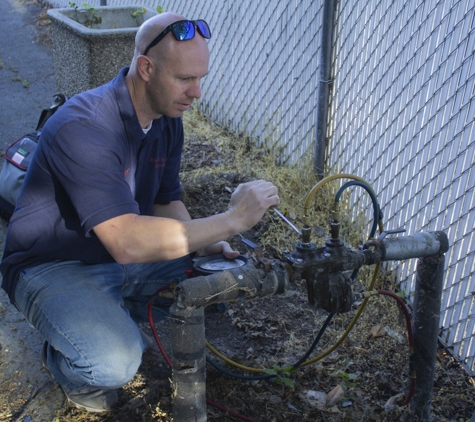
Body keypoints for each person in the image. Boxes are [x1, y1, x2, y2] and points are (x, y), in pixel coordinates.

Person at [0, 12, 279, 413]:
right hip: (54, 265)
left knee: (220, 283)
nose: (196, 92)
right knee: (114, 362)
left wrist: (205, 244)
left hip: (118, 256)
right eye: (185, 79)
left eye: (201, 78)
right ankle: (68, 359)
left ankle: (107, 312)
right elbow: (128, 242)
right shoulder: (86, 126)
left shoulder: (167, 119)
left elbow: (164, 201)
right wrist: (232, 220)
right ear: (146, 68)